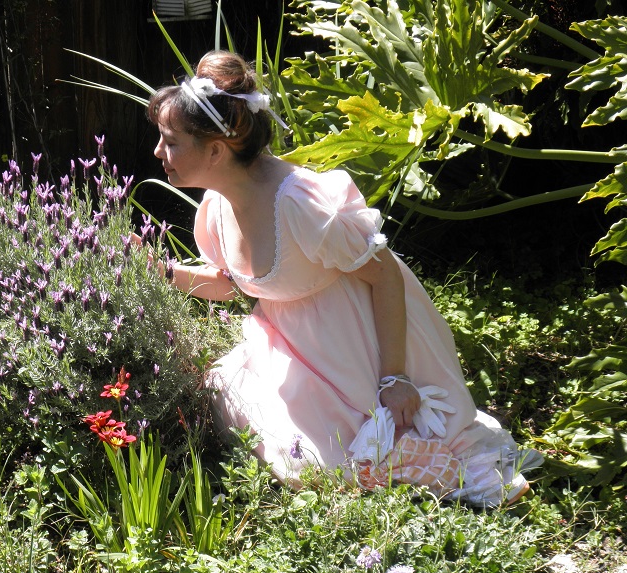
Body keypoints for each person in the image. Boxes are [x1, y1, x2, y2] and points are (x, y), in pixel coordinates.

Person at [145, 50, 540, 507]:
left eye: (170, 141)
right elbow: (234, 282)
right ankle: (385, 456)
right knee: (270, 435)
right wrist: (165, 273)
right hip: (293, 348)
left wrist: (394, 378)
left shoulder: (300, 205)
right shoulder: (217, 205)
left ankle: (434, 459)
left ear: (215, 150)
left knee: (327, 464)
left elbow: (386, 275)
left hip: (359, 345)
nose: (159, 152)